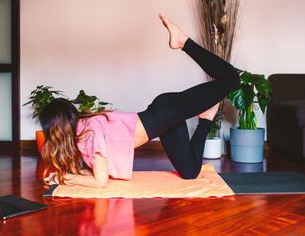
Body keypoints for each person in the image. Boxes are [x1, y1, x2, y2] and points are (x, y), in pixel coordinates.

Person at [40, 14, 240, 187]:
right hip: (165, 123)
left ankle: (183, 42)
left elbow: (100, 182)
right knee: (190, 173)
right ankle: (205, 120)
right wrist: (63, 176)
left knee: (232, 79)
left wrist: (66, 178)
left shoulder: (87, 132)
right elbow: (97, 173)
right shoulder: (83, 131)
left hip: (165, 112)